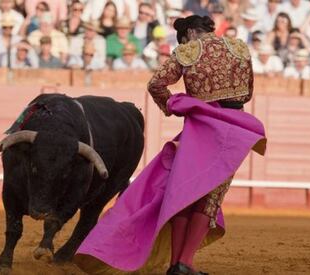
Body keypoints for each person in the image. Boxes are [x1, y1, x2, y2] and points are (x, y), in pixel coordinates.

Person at [74, 15, 266, 275]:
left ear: (188, 34)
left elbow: (156, 85)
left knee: (184, 192)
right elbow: (246, 93)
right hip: (233, 131)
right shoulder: (239, 48)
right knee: (211, 198)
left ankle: (179, 263)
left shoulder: (187, 52)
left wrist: (176, 105)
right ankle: (184, 263)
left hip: (200, 130)